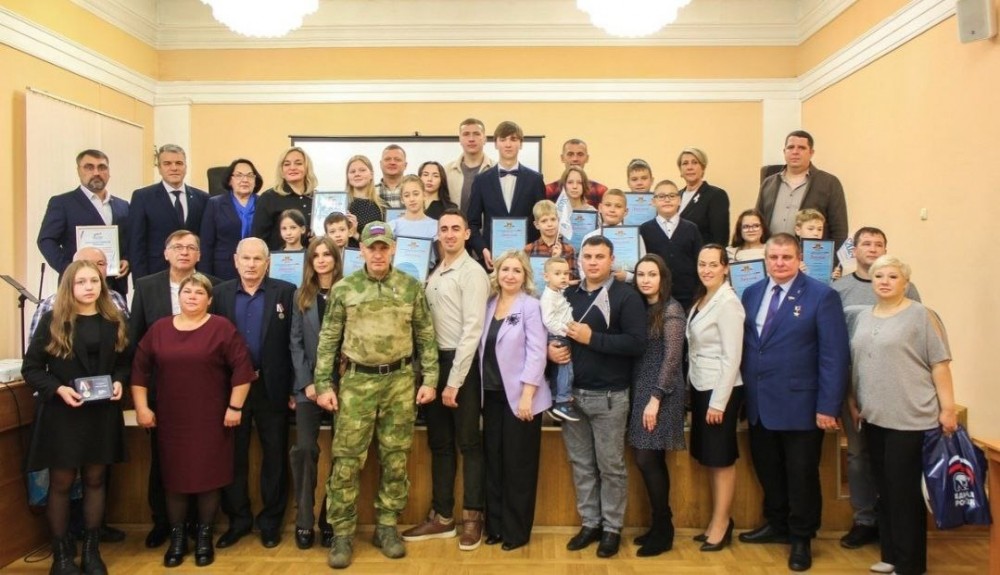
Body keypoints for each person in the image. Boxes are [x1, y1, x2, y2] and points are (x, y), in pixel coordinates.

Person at [313, 222, 438, 569]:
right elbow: (328, 339)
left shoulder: (411, 287)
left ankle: (386, 526)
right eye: (372, 248)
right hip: (356, 384)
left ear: (393, 248)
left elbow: (426, 336)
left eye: (384, 247)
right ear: (363, 250)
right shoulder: (345, 288)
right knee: (346, 461)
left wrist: (430, 379)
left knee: (395, 458)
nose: (378, 254)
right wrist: (323, 384)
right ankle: (342, 533)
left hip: (399, 382)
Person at [738, 233, 849, 572]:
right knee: (768, 469)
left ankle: (801, 537)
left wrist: (828, 406)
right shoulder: (751, 292)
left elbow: (834, 356)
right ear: (765, 260)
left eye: (786, 257)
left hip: (802, 405)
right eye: (773, 257)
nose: (779, 263)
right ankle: (777, 524)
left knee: (801, 475)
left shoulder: (822, 295)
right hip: (760, 403)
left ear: (799, 258)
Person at [131, 273, 255, 568]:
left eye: (199, 293)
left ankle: (203, 537)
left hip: (211, 419)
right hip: (171, 419)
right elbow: (139, 370)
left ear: (209, 300)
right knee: (174, 479)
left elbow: (242, 370)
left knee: (208, 478)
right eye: (187, 291)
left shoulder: (221, 328)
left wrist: (235, 407)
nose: (192, 296)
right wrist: (141, 408)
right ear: (179, 297)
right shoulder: (160, 329)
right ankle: (177, 538)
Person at [22, 260, 130, 575]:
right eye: (81, 282)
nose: (88, 287)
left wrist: (120, 380)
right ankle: (62, 556)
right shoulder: (54, 320)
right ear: (69, 286)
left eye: (94, 281)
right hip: (63, 413)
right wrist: (58, 389)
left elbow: (125, 362)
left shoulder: (114, 320)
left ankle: (92, 553)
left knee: (96, 480)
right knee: (62, 482)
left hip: (101, 413)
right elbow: (32, 369)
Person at [850, 255, 955, 575]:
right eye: (879, 276)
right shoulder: (864, 316)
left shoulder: (920, 315)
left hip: (910, 417)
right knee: (884, 489)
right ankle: (891, 554)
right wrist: (854, 400)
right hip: (874, 416)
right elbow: (859, 362)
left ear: (906, 283)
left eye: (893, 276)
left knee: (904, 492)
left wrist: (948, 408)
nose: (884, 281)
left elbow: (940, 364)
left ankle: (911, 565)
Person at [549, 236, 647, 559]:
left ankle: (612, 528)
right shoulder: (567, 294)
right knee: (581, 465)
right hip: (571, 398)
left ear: (611, 259)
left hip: (610, 397)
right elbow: (553, 330)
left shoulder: (626, 296)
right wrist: (551, 350)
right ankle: (590, 523)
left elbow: (636, 343)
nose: (592, 262)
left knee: (611, 467)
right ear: (580, 260)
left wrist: (593, 338)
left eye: (599, 257)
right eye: (587, 256)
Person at [403, 209, 489, 551]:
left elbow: (472, 330)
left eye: (456, 228)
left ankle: (473, 518)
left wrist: (454, 381)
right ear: (437, 234)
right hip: (433, 363)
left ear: (467, 234)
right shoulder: (436, 270)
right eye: (444, 229)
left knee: (468, 443)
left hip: (459, 364)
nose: (450, 234)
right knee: (439, 443)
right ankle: (442, 517)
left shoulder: (473, 273)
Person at [130, 231, 222, 549]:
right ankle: (164, 523)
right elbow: (136, 340)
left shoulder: (215, 285)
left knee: (202, 458)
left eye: (191, 248)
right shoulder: (146, 286)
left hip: (204, 391)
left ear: (199, 255)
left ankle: (197, 524)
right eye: (178, 247)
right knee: (164, 459)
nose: (184, 252)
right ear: (166, 252)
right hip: (161, 390)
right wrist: (141, 399)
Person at [832, 227, 920, 551]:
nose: (872, 248)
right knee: (858, 456)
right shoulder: (838, 288)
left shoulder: (907, 289)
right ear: (853, 250)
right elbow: (834, 342)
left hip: (898, 390)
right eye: (865, 243)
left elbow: (917, 337)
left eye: (878, 244)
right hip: (854, 388)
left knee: (893, 461)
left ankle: (892, 522)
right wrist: (847, 393)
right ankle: (865, 519)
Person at [211, 238, 296, 549]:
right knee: (234, 457)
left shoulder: (286, 292)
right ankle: (239, 520)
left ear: (267, 262)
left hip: (272, 388)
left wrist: (293, 388)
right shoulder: (219, 293)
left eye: (257, 259)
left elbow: (294, 344)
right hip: (232, 391)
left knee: (275, 457)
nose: (250, 264)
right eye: (245, 258)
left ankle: (271, 522)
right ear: (235, 261)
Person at [478, 249, 551, 551]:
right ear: (497, 273)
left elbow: (537, 353)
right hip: (492, 396)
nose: (510, 275)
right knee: (494, 463)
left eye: (516, 270)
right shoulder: (488, 304)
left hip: (522, 400)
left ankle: (516, 532)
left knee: (518, 466)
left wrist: (527, 395)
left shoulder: (530, 306)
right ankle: (495, 527)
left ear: (525, 276)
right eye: (505, 269)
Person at [687, 244, 744, 552]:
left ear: (725, 267)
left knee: (721, 459)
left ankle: (722, 524)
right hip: (701, 384)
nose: (706, 269)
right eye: (702, 264)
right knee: (710, 457)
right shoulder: (704, 297)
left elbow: (732, 357)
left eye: (713, 264)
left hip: (720, 390)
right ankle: (716, 520)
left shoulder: (729, 302)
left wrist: (719, 402)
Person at [628, 254, 686, 557]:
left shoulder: (671, 309)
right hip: (642, 390)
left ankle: (664, 529)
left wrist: (656, 398)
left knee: (647, 458)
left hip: (661, 393)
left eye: (652, 274)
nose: (646, 280)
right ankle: (659, 526)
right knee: (650, 459)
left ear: (663, 278)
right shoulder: (641, 307)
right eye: (641, 274)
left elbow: (672, 358)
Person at [289, 236, 343, 550]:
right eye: (316, 255)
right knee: (306, 450)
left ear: (336, 259)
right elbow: (295, 343)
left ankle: (329, 519)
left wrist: (336, 382)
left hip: (342, 385)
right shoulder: (301, 295)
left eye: (327, 254)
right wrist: (307, 382)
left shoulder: (348, 291)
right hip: (307, 386)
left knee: (342, 453)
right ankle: (304, 519)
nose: (321, 260)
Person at [37, 149, 130, 295]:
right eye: (89, 167)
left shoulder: (123, 206)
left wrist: (127, 259)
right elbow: (46, 240)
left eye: (102, 167)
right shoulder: (62, 203)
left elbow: (129, 240)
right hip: (76, 286)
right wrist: (69, 269)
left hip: (114, 286)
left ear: (109, 172)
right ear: (79, 171)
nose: (96, 173)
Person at [467, 120, 545, 270]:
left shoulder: (535, 180)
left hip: (526, 262)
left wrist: (534, 251)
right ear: (496, 144)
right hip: (492, 260)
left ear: (521, 144)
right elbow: (472, 223)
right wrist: (483, 250)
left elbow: (541, 220)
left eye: (513, 139)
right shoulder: (481, 180)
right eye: (503, 140)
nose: (508, 144)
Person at [755, 130, 849, 248]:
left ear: (811, 153)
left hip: (811, 256)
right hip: (772, 254)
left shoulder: (829, 183)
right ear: (784, 152)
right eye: (790, 147)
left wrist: (831, 258)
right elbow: (757, 221)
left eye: (801, 148)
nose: (795, 152)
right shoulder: (768, 183)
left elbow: (839, 231)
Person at [128, 144, 209, 279]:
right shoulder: (142, 197)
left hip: (194, 277)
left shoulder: (203, 198)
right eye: (167, 164)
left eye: (179, 163)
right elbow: (136, 243)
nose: (174, 168)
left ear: (186, 167)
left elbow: (206, 241)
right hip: (156, 274)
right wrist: (140, 282)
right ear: (159, 168)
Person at [638, 180, 703, 310]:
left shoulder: (692, 228)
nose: (667, 200)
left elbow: (699, 261)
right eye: (661, 196)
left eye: (672, 196)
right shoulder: (644, 230)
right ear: (653, 201)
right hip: (655, 298)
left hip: (688, 297)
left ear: (679, 200)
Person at [199, 158, 263, 281]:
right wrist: (205, 277)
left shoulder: (264, 203)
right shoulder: (215, 204)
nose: (245, 180)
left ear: (255, 180)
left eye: (250, 175)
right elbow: (206, 245)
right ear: (230, 180)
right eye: (239, 175)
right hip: (223, 271)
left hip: (257, 269)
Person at [252, 147, 317, 250]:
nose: (292, 167)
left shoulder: (317, 198)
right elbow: (258, 240)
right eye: (287, 164)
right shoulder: (268, 198)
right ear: (281, 171)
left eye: (298, 163)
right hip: (279, 259)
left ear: (307, 168)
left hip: (313, 258)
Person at [539, 256, 578, 422]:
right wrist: (567, 331)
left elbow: (568, 285)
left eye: (566, 273)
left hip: (561, 333)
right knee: (566, 369)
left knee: (559, 370)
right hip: (559, 335)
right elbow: (548, 321)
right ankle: (563, 401)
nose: (563, 277)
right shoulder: (548, 297)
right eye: (557, 274)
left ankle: (555, 400)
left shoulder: (558, 291)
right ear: (546, 277)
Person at [578, 189, 647, 283]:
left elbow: (644, 268)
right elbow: (582, 266)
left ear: (626, 211)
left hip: (627, 287)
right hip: (595, 287)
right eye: (608, 205)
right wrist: (592, 282)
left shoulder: (636, 237)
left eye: (618, 206)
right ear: (600, 208)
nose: (612, 210)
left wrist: (628, 276)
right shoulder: (590, 237)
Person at [677, 147, 730, 245]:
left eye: (694, 162)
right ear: (680, 170)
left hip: (702, 253)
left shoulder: (716, 195)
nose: (690, 167)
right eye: (685, 163)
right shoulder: (675, 196)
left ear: (703, 168)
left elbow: (720, 238)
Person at [445, 118, 495, 214]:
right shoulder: (446, 171)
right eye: (466, 134)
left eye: (476, 134)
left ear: (485, 139)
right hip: (453, 224)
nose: (471, 139)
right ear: (460, 139)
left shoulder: (497, 170)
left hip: (486, 224)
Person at [524, 200, 577, 282]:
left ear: (558, 220)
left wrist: (558, 260)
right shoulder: (528, 249)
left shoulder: (568, 250)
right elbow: (524, 278)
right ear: (537, 225)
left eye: (553, 219)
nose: (550, 224)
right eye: (544, 221)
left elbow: (572, 278)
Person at [544, 139, 608, 207]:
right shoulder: (549, 191)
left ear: (587, 158)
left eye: (580, 154)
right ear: (562, 158)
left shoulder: (600, 191)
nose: (575, 159)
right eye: (570, 154)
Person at [344, 155, 386, 242]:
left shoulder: (382, 207)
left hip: (368, 251)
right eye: (352, 171)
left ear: (371, 175)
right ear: (347, 177)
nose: (357, 174)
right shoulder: (339, 204)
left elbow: (382, 243)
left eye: (362, 170)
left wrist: (355, 234)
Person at [388, 175, 438, 241]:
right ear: (402, 199)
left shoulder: (436, 226)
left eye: (416, 194)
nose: (412, 199)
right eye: (407, 195)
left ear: (424, 195)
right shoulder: (392, 226)